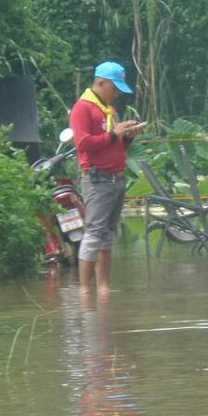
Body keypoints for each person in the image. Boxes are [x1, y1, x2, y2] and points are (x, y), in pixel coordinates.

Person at [71, 61, 144, 295]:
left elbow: (116, 147)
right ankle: (84, 290)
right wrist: (114, 134)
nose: (116, 95)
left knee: (108, 234)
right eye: (114, 89)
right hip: (97, 180)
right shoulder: (83, 108)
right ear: (100, 82)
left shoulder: (109, 110)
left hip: (117, 179)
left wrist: (128, 136)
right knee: (93, 233)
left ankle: (103, 288)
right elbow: (82, 143)